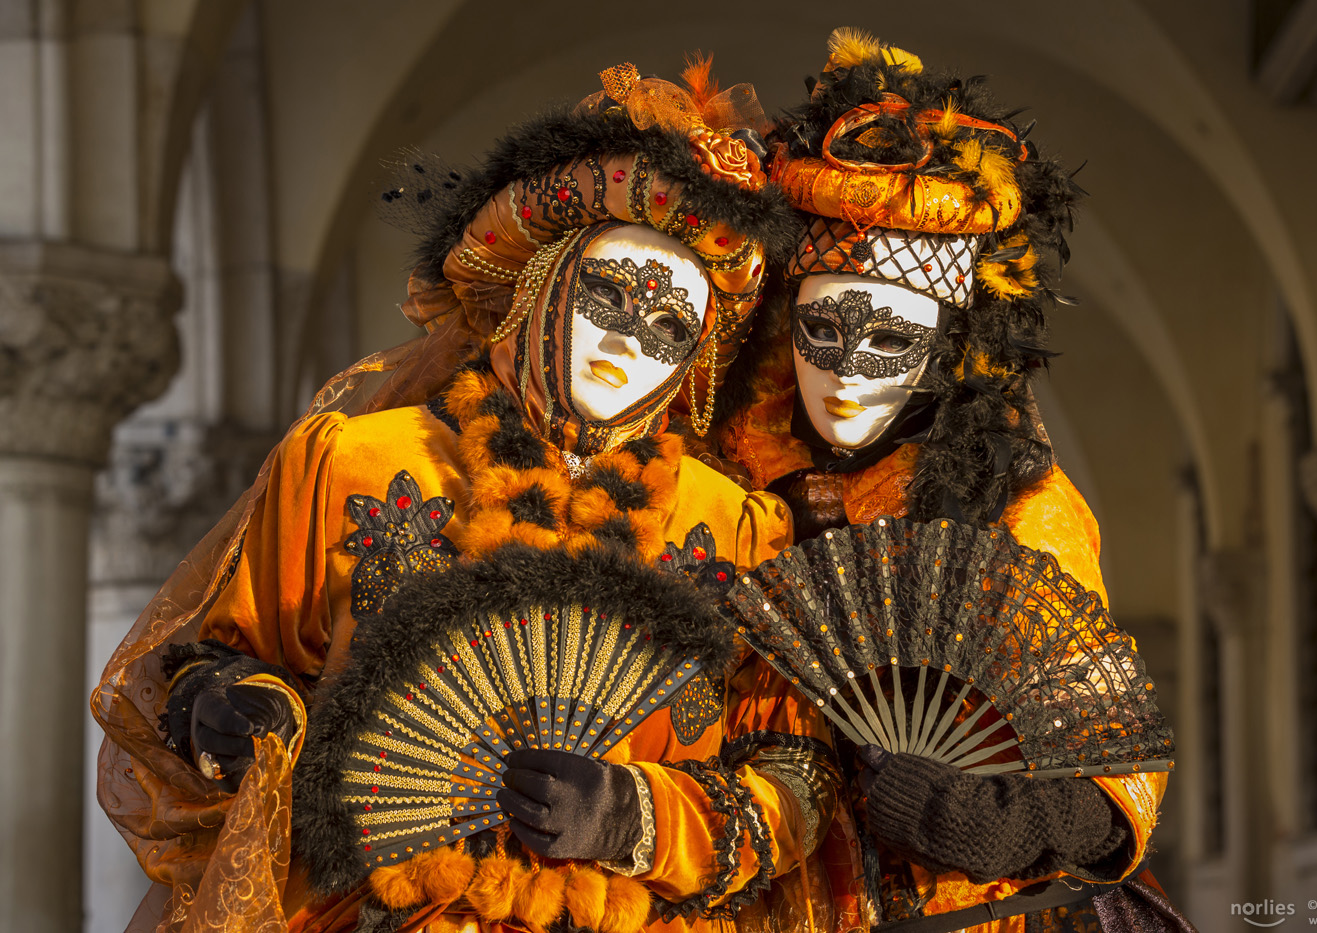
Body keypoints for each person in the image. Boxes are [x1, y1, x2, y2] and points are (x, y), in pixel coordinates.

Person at [93, 59, 849, 933]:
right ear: (540, 283)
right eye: (608, 295)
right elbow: (209, 655)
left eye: (669, 326)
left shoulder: (734, 528)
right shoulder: (352, 464)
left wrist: (634, 815)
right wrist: (223, 702)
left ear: (695, 360)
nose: (628, 339)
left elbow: (797, 779)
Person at [721, 29, 1193, 932]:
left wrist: (989, 821)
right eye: (825, 330)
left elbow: (1111, 758)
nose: (850, 368)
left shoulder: (1013, 506)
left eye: (891, 339)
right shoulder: (731, 497)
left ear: (943, 352)